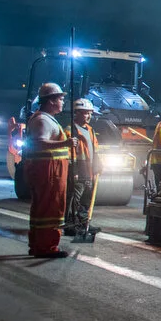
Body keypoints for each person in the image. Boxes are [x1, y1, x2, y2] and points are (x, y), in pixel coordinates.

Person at [22, 82, 72, 257]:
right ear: (51, 101)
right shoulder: (42, 120)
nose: (62, 102)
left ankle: (38, 244)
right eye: (60, 99)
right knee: (50, 208)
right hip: (48, 171)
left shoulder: (45, 118)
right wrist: (65, 143)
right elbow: (39, 142)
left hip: (49, 169)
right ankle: (47, 247)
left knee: (43, 208)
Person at [68, 98, 102, 236]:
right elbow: (69, 153)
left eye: (89, 113)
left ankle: (84, 223)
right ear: (76, 113)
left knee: (86, 200)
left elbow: (95, 150)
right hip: (78, 171)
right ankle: (71, 225)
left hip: (89, 171)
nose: (88, 116)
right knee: (74, 201)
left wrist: (98, 165)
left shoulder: (90, 130)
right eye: (84, 113)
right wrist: (73, 171)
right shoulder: (71, 130)